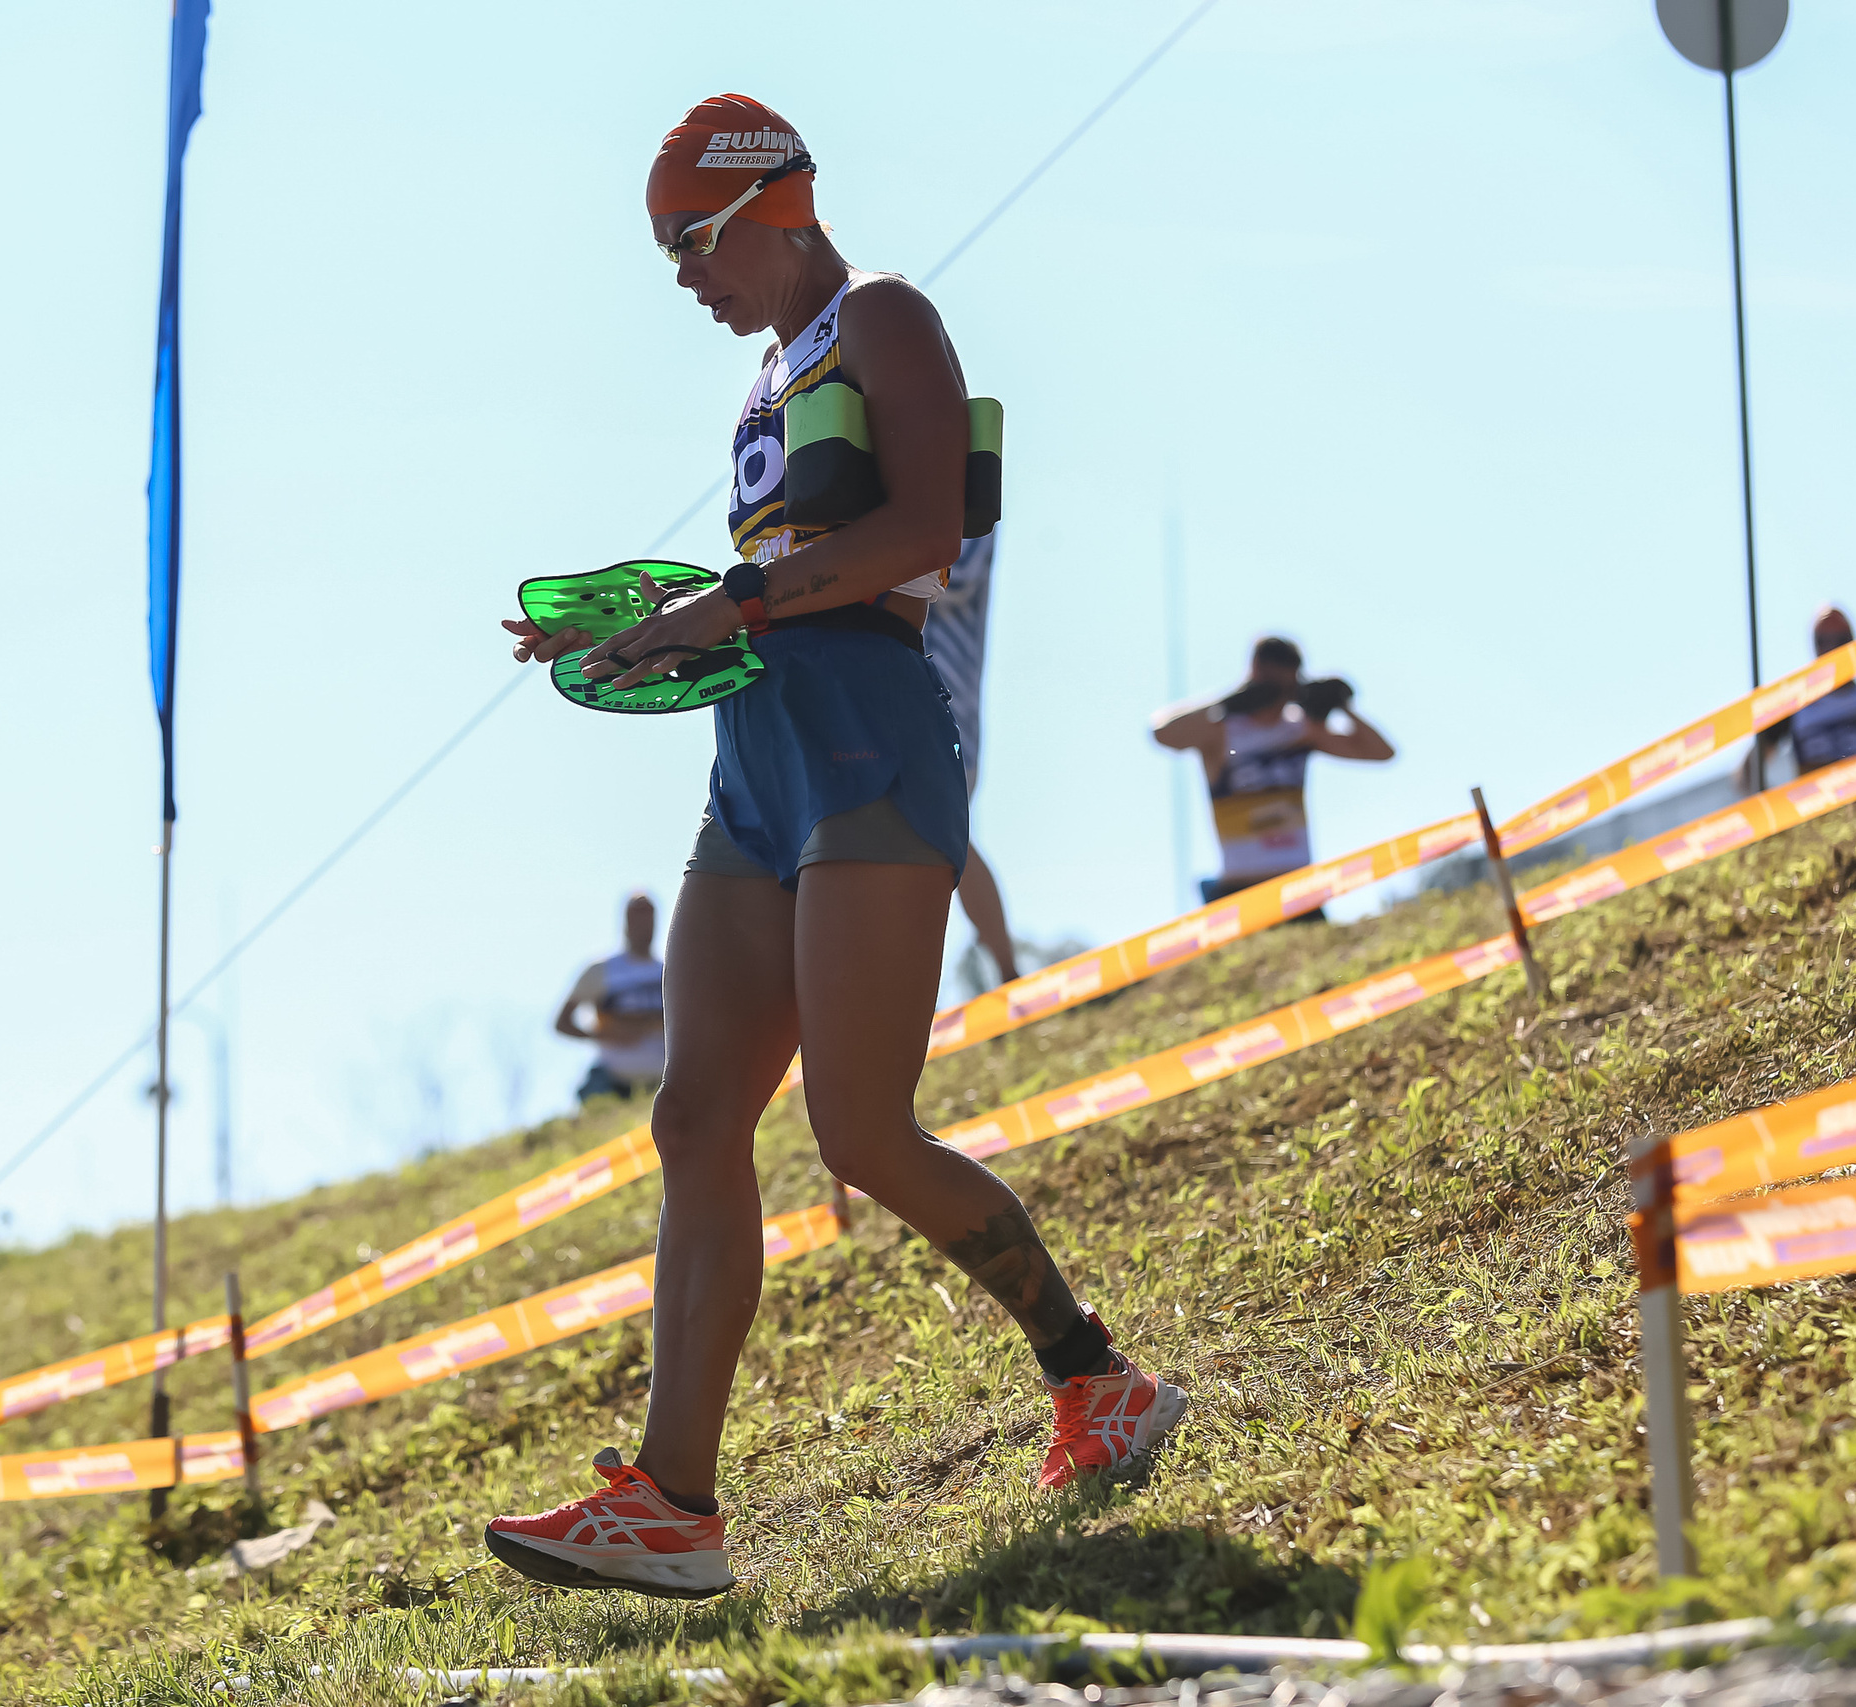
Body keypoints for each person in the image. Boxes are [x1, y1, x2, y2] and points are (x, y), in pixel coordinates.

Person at [488, 93, 1184, 1601]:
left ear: (774, 200)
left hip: (870, 738)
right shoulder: (762, 374)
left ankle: (1094, 1375)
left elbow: (924, 536)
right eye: (664, 247)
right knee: (691, 1112)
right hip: (758, 754)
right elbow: (776, 563)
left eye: (693, 235)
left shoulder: (885, 315)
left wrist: (728, 606)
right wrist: (622, 622)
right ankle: (674, 1500)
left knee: (861, 1132)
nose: (680, 269)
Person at [1149, 637, 1395, 909]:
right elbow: (1162, 732)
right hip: (1239, 888)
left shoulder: (1301, 730)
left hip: (1298, 888)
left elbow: (1382, 753)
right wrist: (1230, 700)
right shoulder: (1222, 731)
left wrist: (1343, 707)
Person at [924, 530, 1020, 985]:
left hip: (946, 709)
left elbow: (947, 581)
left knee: (947, 837)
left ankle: (1008, 972)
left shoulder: (972, 515)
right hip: (889, 704)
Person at [1746, 604, 1856, 783]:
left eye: (1841, 640)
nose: (1833, 648)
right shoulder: (1795, 712)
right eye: (1823, 640)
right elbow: (1749, 771)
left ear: (1853, 642)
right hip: (1825, 806)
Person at [557, 892, 668, 1101]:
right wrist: (604, 1035)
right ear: (625, 920)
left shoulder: (670, 972)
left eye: (648, 913)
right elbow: (562, 1023)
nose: (643, 921)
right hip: (611, 1082)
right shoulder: (601, 970)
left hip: (662, 1085)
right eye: (636, 913)